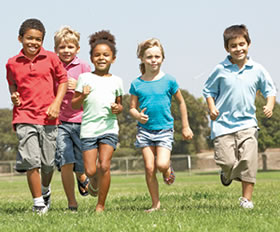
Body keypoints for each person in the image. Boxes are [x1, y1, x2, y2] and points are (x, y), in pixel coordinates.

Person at [203, 24, 276, 209]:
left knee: (249, 161)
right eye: (233, 45)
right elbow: (208, 90)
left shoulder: (257, 69)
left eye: (242, 44)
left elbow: (270, 89)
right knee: (226, 162)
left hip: (248, 124)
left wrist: (269, 104)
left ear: (249, 44)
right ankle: (226, 174)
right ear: (227, 48)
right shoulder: (220, 69)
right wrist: (211, 108)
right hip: (222, 125)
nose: (238, 49)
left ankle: (246, 200)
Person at [5, 18, 68, 214]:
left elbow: (63, 80)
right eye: (29, 38)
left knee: (48, 163)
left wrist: (56, 104)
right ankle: (38, 203)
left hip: (48, 117)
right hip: (24, 117)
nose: (33, 42)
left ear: (43, 41)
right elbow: (12, 84)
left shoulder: (51, 58)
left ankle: (45, 190)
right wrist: (14, 95)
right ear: (20, 38)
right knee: (31, 161)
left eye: (38, 39)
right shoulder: (12, 63)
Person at [129, 38, 193, 212]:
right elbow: (132, 108)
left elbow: (181, 103)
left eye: (157, 56)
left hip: (164, 129)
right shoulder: (137, 83)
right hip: (145, 131)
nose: (153, 60)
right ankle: (155, 204)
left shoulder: (169, 81)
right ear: (142, 58)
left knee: (161, 165)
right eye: (149, 57)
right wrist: (137, 115)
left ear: (163, 58)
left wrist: (185, 127)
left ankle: (167, 170)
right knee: (149, 168)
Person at [72, 30, 124, 212]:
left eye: (106, 55)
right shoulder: (84, 78)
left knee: (104, 165)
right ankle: (93, 184)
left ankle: (100, 205)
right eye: (97, 55)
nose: (101, 58)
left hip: (109, 128)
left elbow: (120, 105)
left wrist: (118, 109)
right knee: (91, 171)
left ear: (113, 58)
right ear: (92, 58)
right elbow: (73, 104)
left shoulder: (117, 81)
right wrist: (82, 95)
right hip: (88, 129)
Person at [54, 26, 92, 211]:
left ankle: (82, 177)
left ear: (77, 49)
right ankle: (72, 202)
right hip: (60, 122)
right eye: (62, 47)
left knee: (82, 163)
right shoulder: (53, 65)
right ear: (56, 49)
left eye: (70, 47)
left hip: (81, 120)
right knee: (65, 161)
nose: (66, 51)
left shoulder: (84, 67)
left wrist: (79, 85)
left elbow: (93, 92)